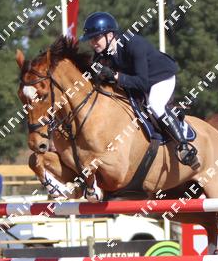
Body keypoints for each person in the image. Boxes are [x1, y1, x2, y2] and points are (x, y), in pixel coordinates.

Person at [80, 11, 199, 169]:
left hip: (160, 77)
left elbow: (142, 83)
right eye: (90, 40)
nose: (92, 43)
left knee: (154, 105)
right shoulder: (102, 53)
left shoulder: (134, 45)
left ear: (110, 35)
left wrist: (115, 76)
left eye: (96, 38)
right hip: (138, 80)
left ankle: (184, 146)